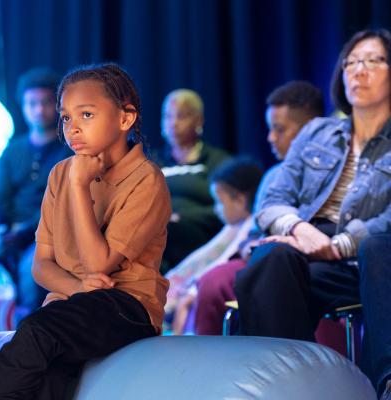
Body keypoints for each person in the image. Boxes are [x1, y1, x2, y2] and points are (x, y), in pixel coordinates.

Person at [0, 63, 171, 399]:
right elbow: (42, 265)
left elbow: (99, 264)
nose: (72, 128)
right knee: (46, 375)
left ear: (125, 118)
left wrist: (79, 185)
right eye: (66, 117)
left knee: (33, 336)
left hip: (127, 305)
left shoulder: (146, 179)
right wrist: (76, 287)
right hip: (67, 303)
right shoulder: (60, 173)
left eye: (86, 115)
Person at [233, 28, 391, 399]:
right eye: (351, 62)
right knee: (271, 257)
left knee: (379, 248)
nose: (358, 70)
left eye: (373, 60)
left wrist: (340, 244)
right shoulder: (318, 132)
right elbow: (273, 197)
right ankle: (289, 386)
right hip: (307, 247)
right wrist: (299, 228)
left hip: (369, 257)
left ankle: (383, 384)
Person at [191, 81, 324, 335]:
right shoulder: (273, 176)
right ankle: (209, 367)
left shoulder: (332, 171)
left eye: (280, 129)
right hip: (261, 257)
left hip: (306, 259)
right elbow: (250, 235)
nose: (270, 138)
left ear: (310, 130)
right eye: (270, 129)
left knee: (283, 278)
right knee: (212, 282)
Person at [0, 67, 71, 316]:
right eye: (32, 103)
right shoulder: (13, 150)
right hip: (8, 231)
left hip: (47, 233)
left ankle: (26, 338)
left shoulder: (68, 150)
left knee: (31, 271)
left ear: (56, 106)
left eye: (45, 103)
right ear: (23, 105)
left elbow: (60, 203)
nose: (39, 110)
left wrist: (22, 232)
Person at [165, 157, 263, 334]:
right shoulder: (233, 227)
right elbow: (203, 256)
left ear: (239, 200)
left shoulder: (251, 226)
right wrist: (173, 282)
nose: (217, 209)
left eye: (220, 202)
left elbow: (225, 259)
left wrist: (192, 289)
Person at [158, 89, 229, 272]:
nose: (173, 124)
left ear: (199, 121)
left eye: (181, 116)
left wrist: (181, 217)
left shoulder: (218, 162)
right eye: (168, 116)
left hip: (201, 236)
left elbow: (228, 209)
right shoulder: (151, 162)